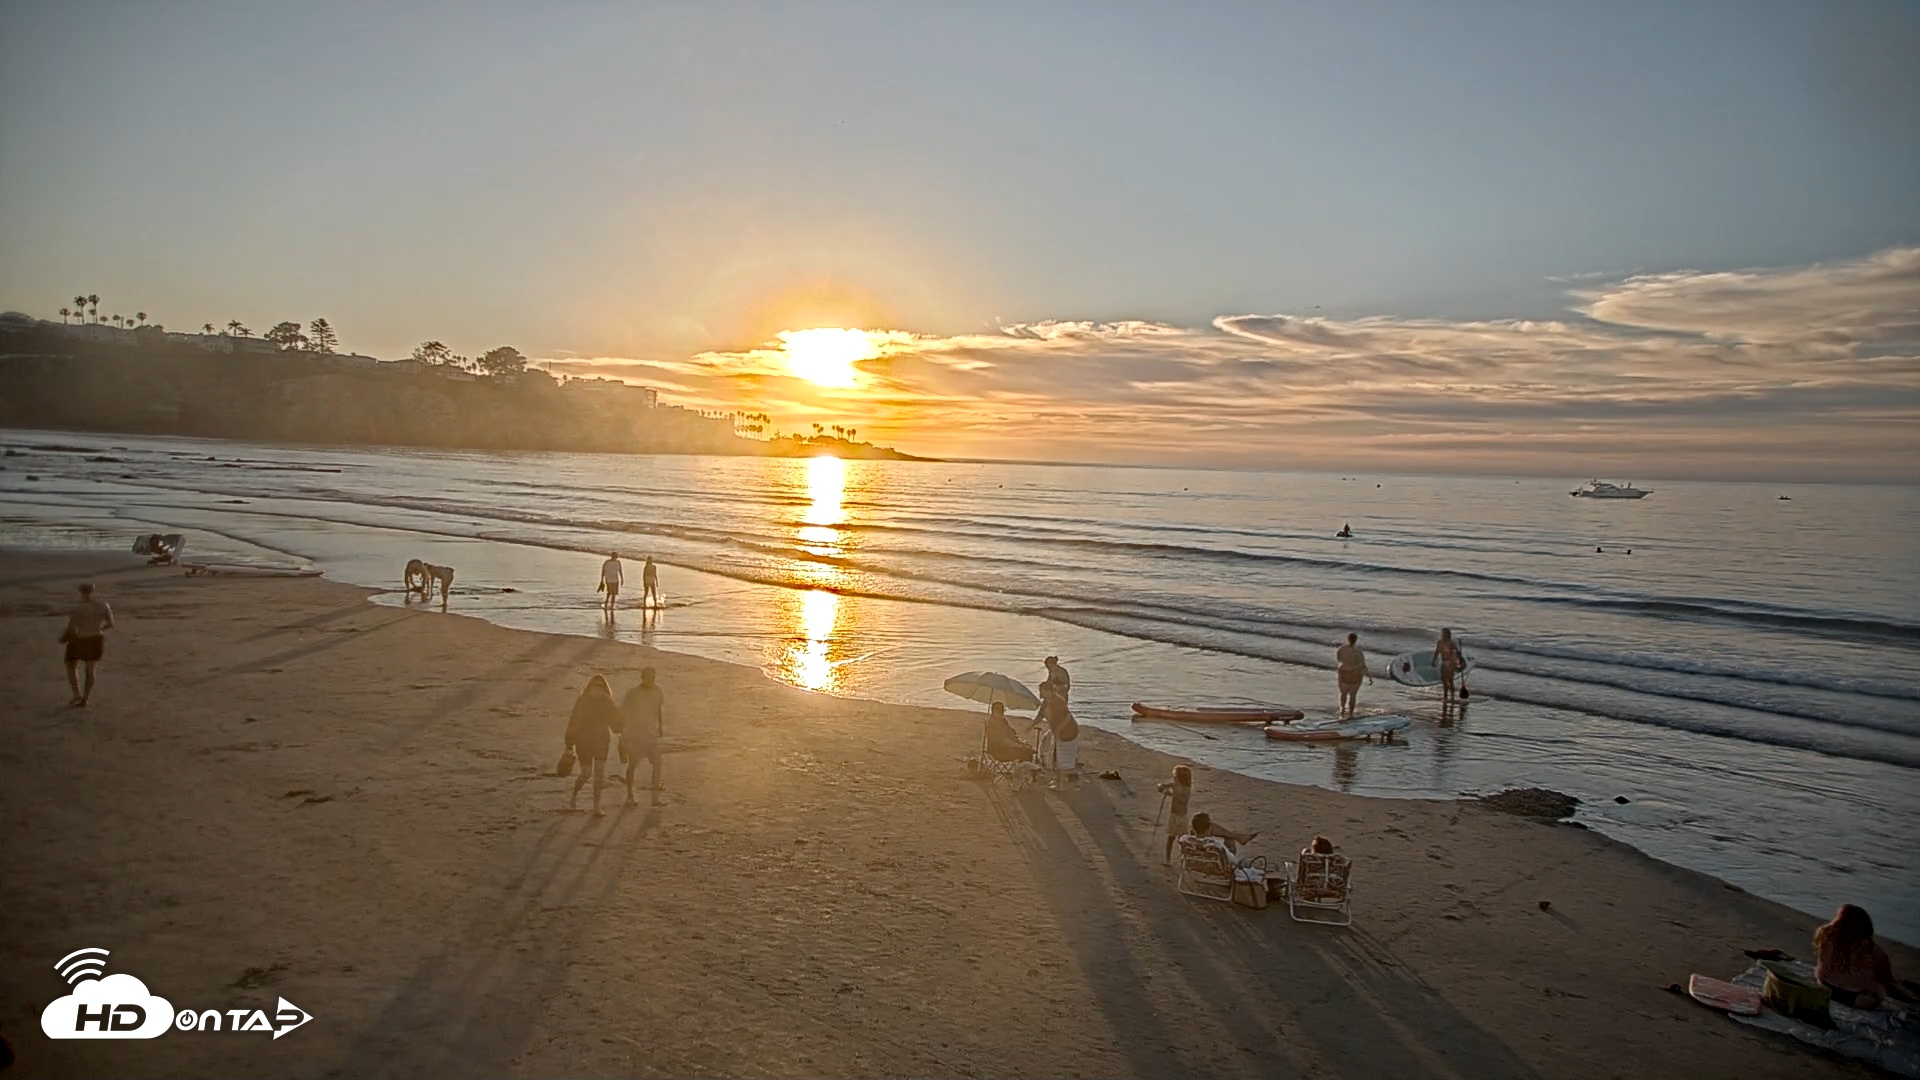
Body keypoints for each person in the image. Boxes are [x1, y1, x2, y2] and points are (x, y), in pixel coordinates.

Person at [1815, 904, 1903, 1009]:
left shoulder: (1826, 936)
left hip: (1826, 986)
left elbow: (1822, 963)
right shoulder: (1873, 950)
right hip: (1859, 997)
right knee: (1879, 988)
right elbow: (1886, 977)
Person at [564, 674, 623, 816]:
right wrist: (569, 743)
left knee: (599, 774)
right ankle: (574, 796)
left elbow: (616, 722)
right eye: (594, 687)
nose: (597, 690)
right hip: (583, 741)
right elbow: (573, 721)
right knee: (586, 773)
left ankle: (596, 806)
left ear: (604, 689)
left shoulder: (607, 702)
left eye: (600, 687)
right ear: (589, 688)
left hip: (602, 741)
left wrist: (622, 734)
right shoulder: (582, 701)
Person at [59, 582, 114, 706]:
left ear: (80, 591)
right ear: (93, 591)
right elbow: (111, 624)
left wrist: (63, 638)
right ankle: (85, 698)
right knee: (90, 669)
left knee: (71, 665)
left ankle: (76, 694)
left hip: (80, 639)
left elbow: (71, 628)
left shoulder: (77, 608)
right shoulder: (103, 606)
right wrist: (100, 629)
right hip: (95, 639)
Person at [617, 667, 666, 807]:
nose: (651, 680)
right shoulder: (633, 693)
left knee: (657, 764)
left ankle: (655, 798)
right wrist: (623, 735)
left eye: (653, 677)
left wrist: (660, 728)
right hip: (636, 735)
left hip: (652, 734)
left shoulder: (658, 691)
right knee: (633, 765)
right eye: (649, 677)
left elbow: (658, 711)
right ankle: (630, 795)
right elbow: (623, 713)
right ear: (642, 677)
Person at [1033, 681, 1080, 786]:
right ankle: (1064, 778)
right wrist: (1031, 725)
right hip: (1057, 730)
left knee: (1060, 756)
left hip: (1068, 730)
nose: (1040, 693)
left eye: (1042, 691)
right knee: (1053, 752)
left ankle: (1060, 784)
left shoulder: (1058, 701)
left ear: (1048, 691)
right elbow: (1040, 716)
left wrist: (1058, 729)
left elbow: (1067, 717)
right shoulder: (1046, 702)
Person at [1157, 765, 1193, 863]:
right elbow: (1163, 786)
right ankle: (1167, 859)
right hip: (1173, 815)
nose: (1174, 778)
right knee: (1171, 837)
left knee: (1183, 839)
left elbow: (1184, 800)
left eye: (1175, 776)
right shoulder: (1174, 785)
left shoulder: (1186, 788)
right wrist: (1161, 787)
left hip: (1182, 817)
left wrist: (1173, 794)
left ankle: (1184, 858)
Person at [1189, 812, 1259, 858]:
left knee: (1227, 836)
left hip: (1199, 862)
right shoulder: (1213, 845)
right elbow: (1231, 860)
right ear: (1208, 829)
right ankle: (1239, 837)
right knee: (1229, 839)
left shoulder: (1188, 841)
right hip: (1217, 866)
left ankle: (1239, 837)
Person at [1335, 632, 1372, 718]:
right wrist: (1369, 676)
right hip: (1355, 674)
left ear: (1347, 639)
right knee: (1353, 695)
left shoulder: (1341, 649)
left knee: (1343, 693)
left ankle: (1342, 710)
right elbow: (1363, 665)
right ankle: (1351, 713)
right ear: (1356, 640)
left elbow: (1339, 659)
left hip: (1343, 672)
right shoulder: (1358, 652)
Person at [1433, 627, 1465, 702]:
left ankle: (1452, 697)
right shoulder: (1439, 642)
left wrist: (1460, 660)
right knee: (1444, 680)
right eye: (1442, 633)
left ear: (1448, 634)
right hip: (1444, 663)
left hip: (1450, 663)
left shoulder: (1451, 642)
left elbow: (1456, 653)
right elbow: (1437, 652)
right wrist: (1433, 660)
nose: (1443, 634)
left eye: (1444, 633)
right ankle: (1445, 697)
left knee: (1450, 680)